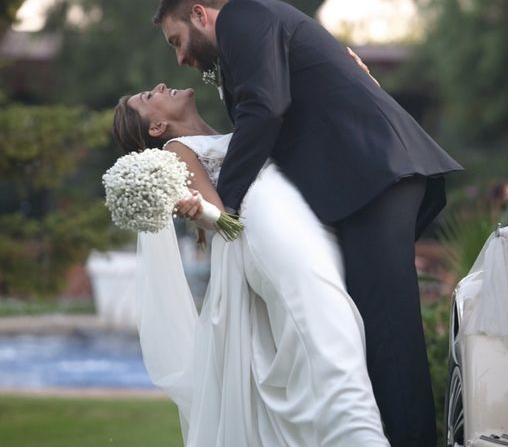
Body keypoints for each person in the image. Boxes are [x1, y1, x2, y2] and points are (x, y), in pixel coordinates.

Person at [153, 0, 463, 446]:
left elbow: (266, 106)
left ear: (201, 14)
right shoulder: (247, 37)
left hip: (374, 173)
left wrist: (228, 199)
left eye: (177, 40)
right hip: (361, 183)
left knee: (389, 332)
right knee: (371, 333)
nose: (179, 57)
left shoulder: (244, 16)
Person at [112, 82, 390, 446]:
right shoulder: (177, 149)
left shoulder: (229, 130)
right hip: (262, 245)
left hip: (292, 226)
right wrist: (199, 212)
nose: (161, 86)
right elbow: (222, 217)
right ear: (157, 128)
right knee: (308, 346)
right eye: (150, 97)